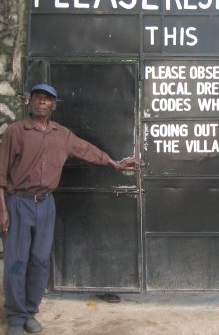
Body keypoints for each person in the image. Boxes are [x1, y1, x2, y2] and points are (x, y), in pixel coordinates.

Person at [0, 83, 138, 335]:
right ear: (29, 102)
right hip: (18, 202)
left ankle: (30, 311)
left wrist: (116, 164)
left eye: (47, 99)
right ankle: (16, 318)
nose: (42, 102)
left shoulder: (61, 134)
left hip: (45, 203)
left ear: (54, 105)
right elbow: (0, 174)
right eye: (38, 98)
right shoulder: (15, 132)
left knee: (40, 260)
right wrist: (3, 210)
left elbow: (87, 151)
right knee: (16, 262)